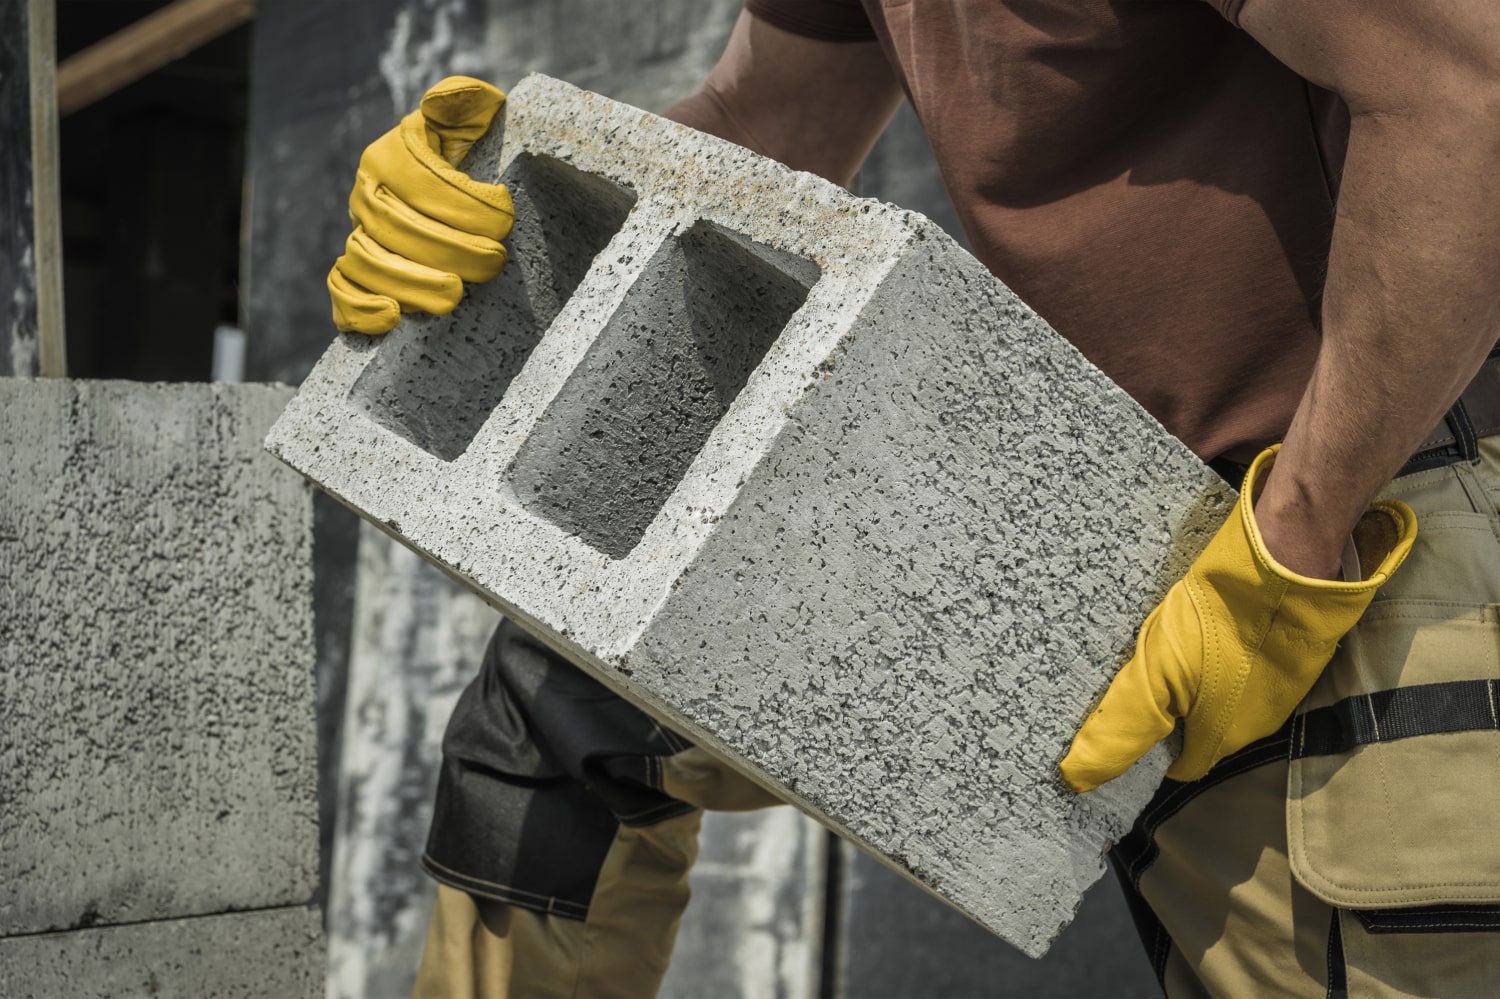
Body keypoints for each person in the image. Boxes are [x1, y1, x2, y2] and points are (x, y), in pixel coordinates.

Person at [327, 1, 1500, 996]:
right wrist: (516, 197)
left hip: (1365, 523)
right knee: (558, 714)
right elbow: (765, 120)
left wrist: (1292, 540)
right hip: (1126, 534)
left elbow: (1466, 89)